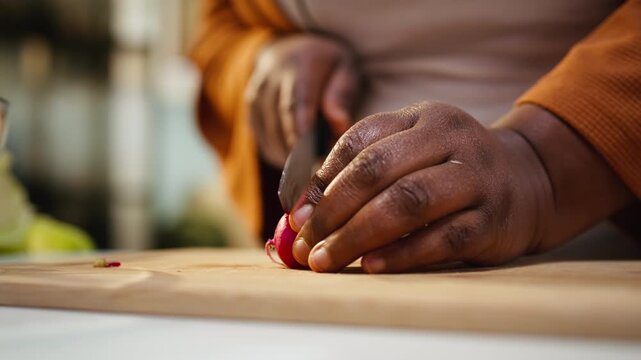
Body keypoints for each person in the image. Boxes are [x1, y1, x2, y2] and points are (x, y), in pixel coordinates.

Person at [190, 0, 641, 272]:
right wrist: (262, 57)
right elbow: (220, 26)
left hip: (599, 265)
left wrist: (542, 166)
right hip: (352, 288)